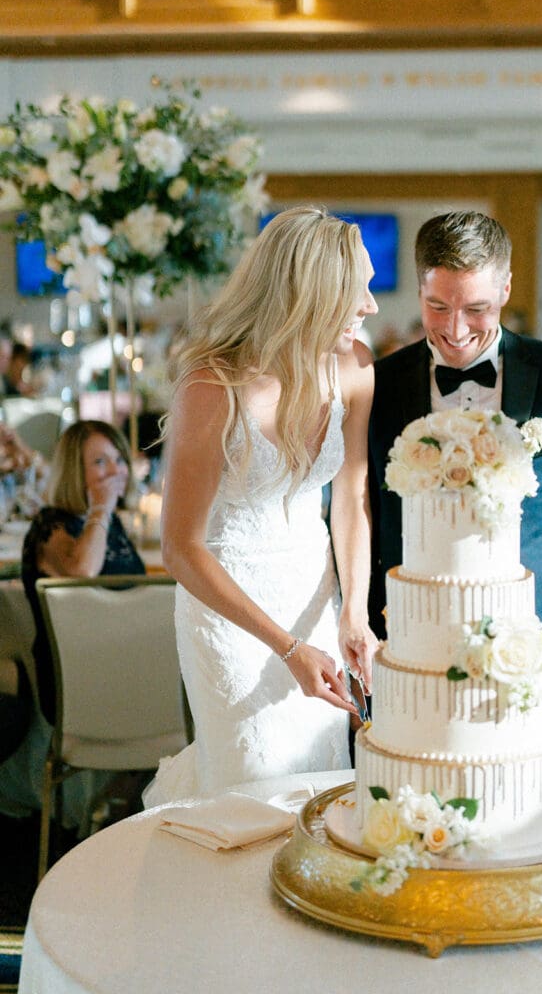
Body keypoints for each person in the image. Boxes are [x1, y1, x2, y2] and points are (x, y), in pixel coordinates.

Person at [368, 211, 542, 780]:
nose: (455, 330)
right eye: (438, 306)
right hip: (412, 654)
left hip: (536, 645)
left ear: (506, 288)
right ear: (419, 289)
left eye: (476, 308)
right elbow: (359, 521)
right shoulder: (378, 388)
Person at [143, 206, 380, 807]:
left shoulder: (354, 367)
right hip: (228, 612)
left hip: (313, 595)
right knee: (250, 789)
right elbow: (180, 548)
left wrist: (353, 611)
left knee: (321, 782)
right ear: (309, 297)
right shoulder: (211, 385)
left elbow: (350, 497)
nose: (372, 307)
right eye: (358, 292)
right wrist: (288, 648)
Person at [0, 420, 144, 827]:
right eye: (99, 462)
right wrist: (100, 507)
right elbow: (84, 571)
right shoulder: (52, 527)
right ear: (72, 472)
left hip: (119, 662)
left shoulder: (112, 525)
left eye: (118, 460)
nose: (114, 470)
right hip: (74, 680)